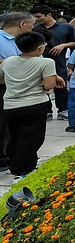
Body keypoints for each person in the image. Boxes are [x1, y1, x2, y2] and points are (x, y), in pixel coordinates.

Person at [0, 31, 65, 179]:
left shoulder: (8, 61)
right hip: (34, 104)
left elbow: (2, 78)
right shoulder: (46, 62)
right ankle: (23, 171)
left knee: (15, 136)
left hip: (10, 105)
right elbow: (48, 86)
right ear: (41, 48)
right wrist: (53, 78)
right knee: (31, 138)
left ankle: (15, 165)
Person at [0, 12, 36, 170]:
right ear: (22, 24)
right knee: (2, 124)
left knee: (12, 125)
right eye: (32, 24)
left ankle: (12, 156)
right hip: (3, 87)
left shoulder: (20, 42)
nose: (33, 28)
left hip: (18, 90)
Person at [31, 5, 75, 120]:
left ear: (49, 15)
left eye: (39, 16)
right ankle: (47, 111)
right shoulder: (35, 28)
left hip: (59, 62)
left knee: (61, 87)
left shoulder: (66, 27)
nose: (37, 19)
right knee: (42, 88)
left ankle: (63, 109)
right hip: (39, 63)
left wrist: (63, 45)